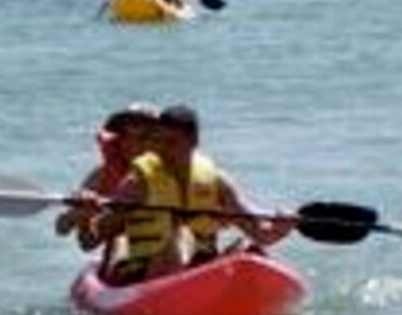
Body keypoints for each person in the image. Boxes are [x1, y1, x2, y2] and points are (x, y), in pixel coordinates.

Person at [92, 103, 292, 283]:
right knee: (180, 235)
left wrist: (281, 226)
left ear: (193, 141)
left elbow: (261, 234)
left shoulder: (217, 181)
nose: (163, 149)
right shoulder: (138, 182)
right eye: (159, 141)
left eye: (171, 142)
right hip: (148, 271)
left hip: (201, 268)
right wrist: (108, 212)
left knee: (249, 249)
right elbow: (98, 232)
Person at [56, 103, 159, 259]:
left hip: (166, 253)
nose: (134, 145)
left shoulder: (175, 172)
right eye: (127, 136)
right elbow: (71, 233)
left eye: (144, 137)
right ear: (119, 140)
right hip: (126, 257)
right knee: (121, 242)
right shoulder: (102, 176)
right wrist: (83, 216)